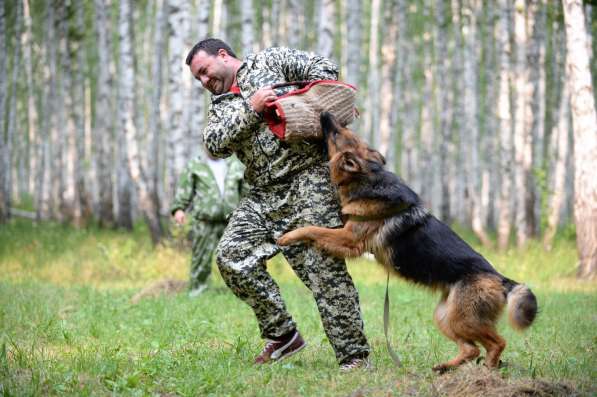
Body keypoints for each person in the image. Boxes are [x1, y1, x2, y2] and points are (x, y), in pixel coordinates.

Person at [185, 38, 370, 371]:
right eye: (197, 78)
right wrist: (252, 108)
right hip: (262, 194)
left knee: (322, 268)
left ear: (223, 56)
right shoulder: (221, 106)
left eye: (204, 71)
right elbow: (215, 143)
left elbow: (326, 70)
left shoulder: (271, 61)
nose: (203, 81)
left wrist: (290, 97)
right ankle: (283, 334)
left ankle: (354, 356)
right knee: (231, 257)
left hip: (308, 180)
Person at [170, 146, 244, 297]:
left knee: (236, 256)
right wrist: (179, 209)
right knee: (201, 258)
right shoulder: (195, 165)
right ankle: (198, 292)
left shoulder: (234, 164)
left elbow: (245, 190)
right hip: (204, 220)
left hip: (231, 220)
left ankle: (240, 292)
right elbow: (184, 189)